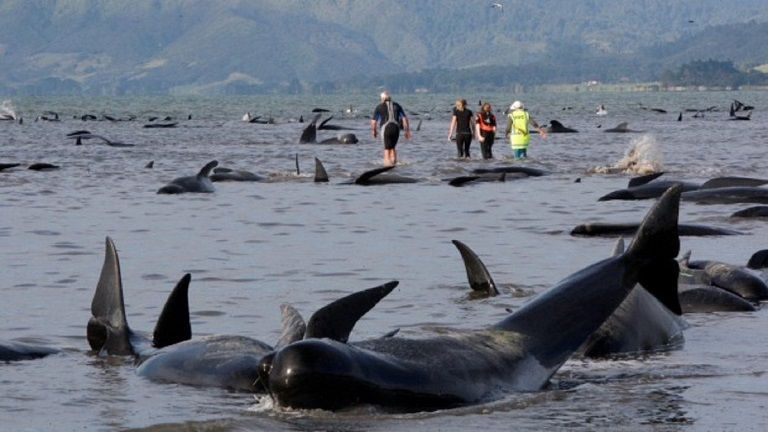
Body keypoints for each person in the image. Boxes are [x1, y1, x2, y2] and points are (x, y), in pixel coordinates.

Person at [371, 91, 411, 166]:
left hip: (386, 128)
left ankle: (387, 166)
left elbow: (373, 122)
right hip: (396, 128)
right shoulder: (397, 105)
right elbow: (405, 119)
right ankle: (394, 165)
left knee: (386, 149)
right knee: (393, 148)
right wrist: (407, 131)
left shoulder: (379, 106)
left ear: (382, 98)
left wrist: (374, 131)